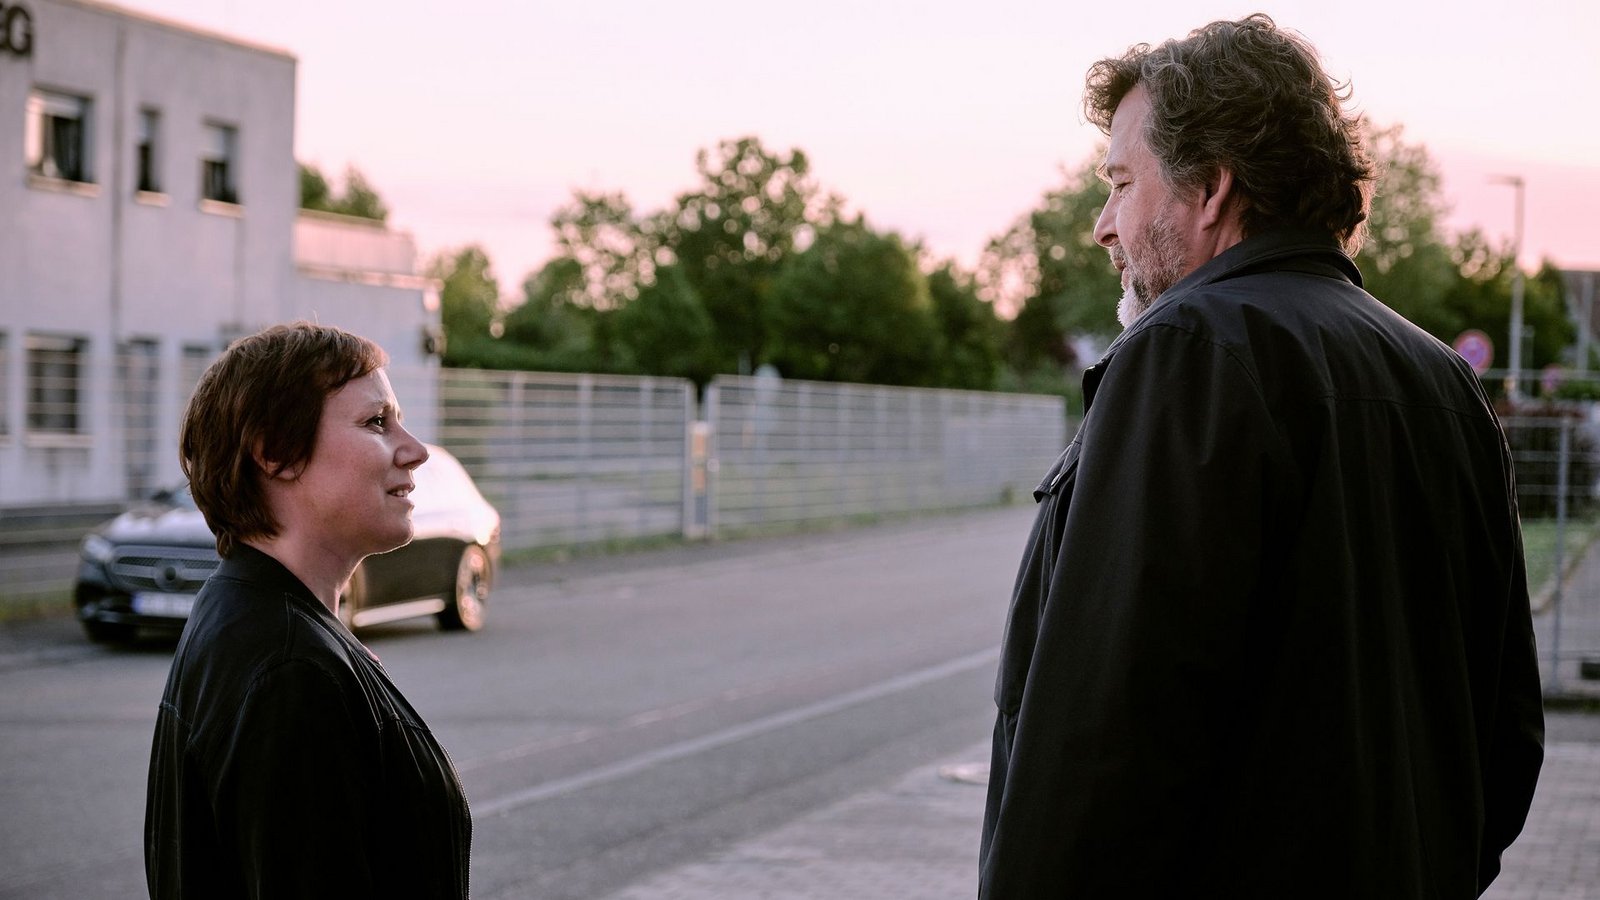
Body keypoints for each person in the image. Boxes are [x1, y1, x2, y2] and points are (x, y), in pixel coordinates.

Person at [980, 15, 1543, 898]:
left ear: (1212, 187)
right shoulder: (1443, 382)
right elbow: (1504, 739)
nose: (1102, 225)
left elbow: (1100, 745)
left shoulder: (1189, 349)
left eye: (1121, 183)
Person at [145, 323, 471, 898]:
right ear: (276, 453)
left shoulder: (249, 615)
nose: (415, 451)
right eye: (377, 422)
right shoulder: (291, 670)